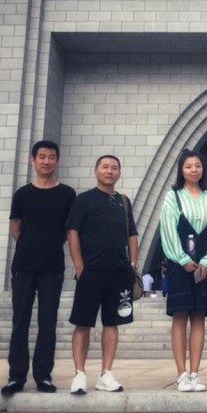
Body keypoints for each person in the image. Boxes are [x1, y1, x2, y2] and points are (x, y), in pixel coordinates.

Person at [1, 140, 76, 395]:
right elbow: (15, 228)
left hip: (52, 266)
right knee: (20, 321)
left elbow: (68, 231)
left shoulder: (67, 194)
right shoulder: (22, 194)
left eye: (51, 157)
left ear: (57, 161)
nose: (47, 161)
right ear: (33, 160)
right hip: (24, 265)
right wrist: (30, 244)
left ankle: (43, 375)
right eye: (42, 157)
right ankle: (16, 376)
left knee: (48, 322)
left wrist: (48, 244)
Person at [67, 155, 138, 395]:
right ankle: (79, 374)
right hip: (90, 272)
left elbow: (132, 235)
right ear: (96, 171)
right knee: (83, 323)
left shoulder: (123, 202)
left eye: (114, 168)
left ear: (119, 173)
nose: (109, 171)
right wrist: (79, 266)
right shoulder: (83, 200)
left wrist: (132, 264)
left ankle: (106, 374)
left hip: (119, 273)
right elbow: (73, 233)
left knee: (112, 323)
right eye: (105, 167)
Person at [160, 149, 207, 392]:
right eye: (188, 166)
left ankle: (195, 372)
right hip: (180, 266)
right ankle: (181, 374)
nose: (194, 170)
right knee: (180, 316)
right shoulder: (172, 197)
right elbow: (167, 231)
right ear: (181, 170)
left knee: (199, 316)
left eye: (198, 166)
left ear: (203, 169)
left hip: (204, 267)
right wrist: (182, 258)